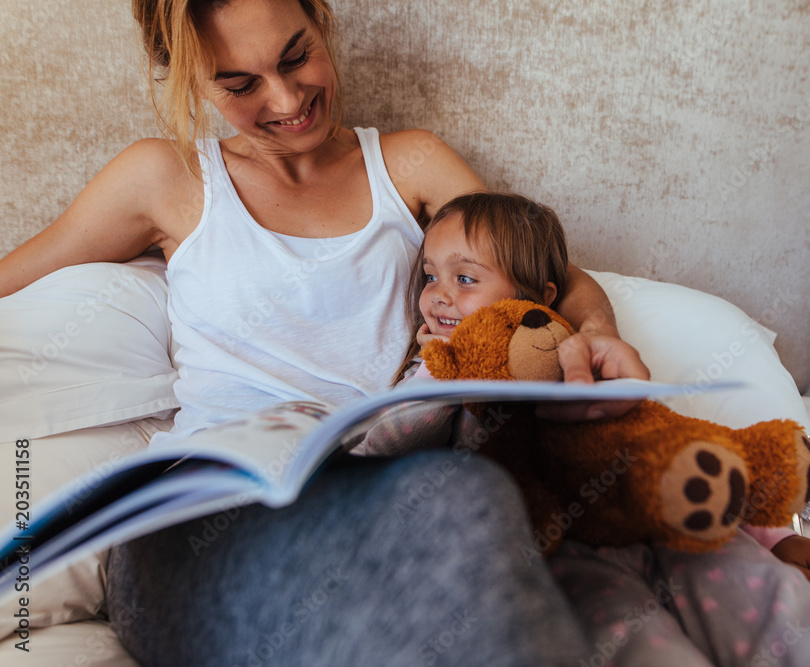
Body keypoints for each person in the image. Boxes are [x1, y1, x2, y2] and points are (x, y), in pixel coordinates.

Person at [0, 1, 648, 665]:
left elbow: (553, 279)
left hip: (366, 495)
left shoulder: (412, 165)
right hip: (196, 527)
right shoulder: (165, 179)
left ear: (322, 20)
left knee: (466, 495)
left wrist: (594, 332)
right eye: (240, 84)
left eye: (294, 56)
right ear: (195, 82)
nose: (286, 99)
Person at [361, 190, 810, 667]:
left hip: (656, 521)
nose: (437, 296)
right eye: (431, 275)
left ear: (541, 299)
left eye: (465, 279)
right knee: (626, 634)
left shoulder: (586, 365)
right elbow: (384, 452)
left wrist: (779, 538)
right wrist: (439, 380)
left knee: (755, 593)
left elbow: (663, 445)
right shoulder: (429, 376)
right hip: (565, 553)